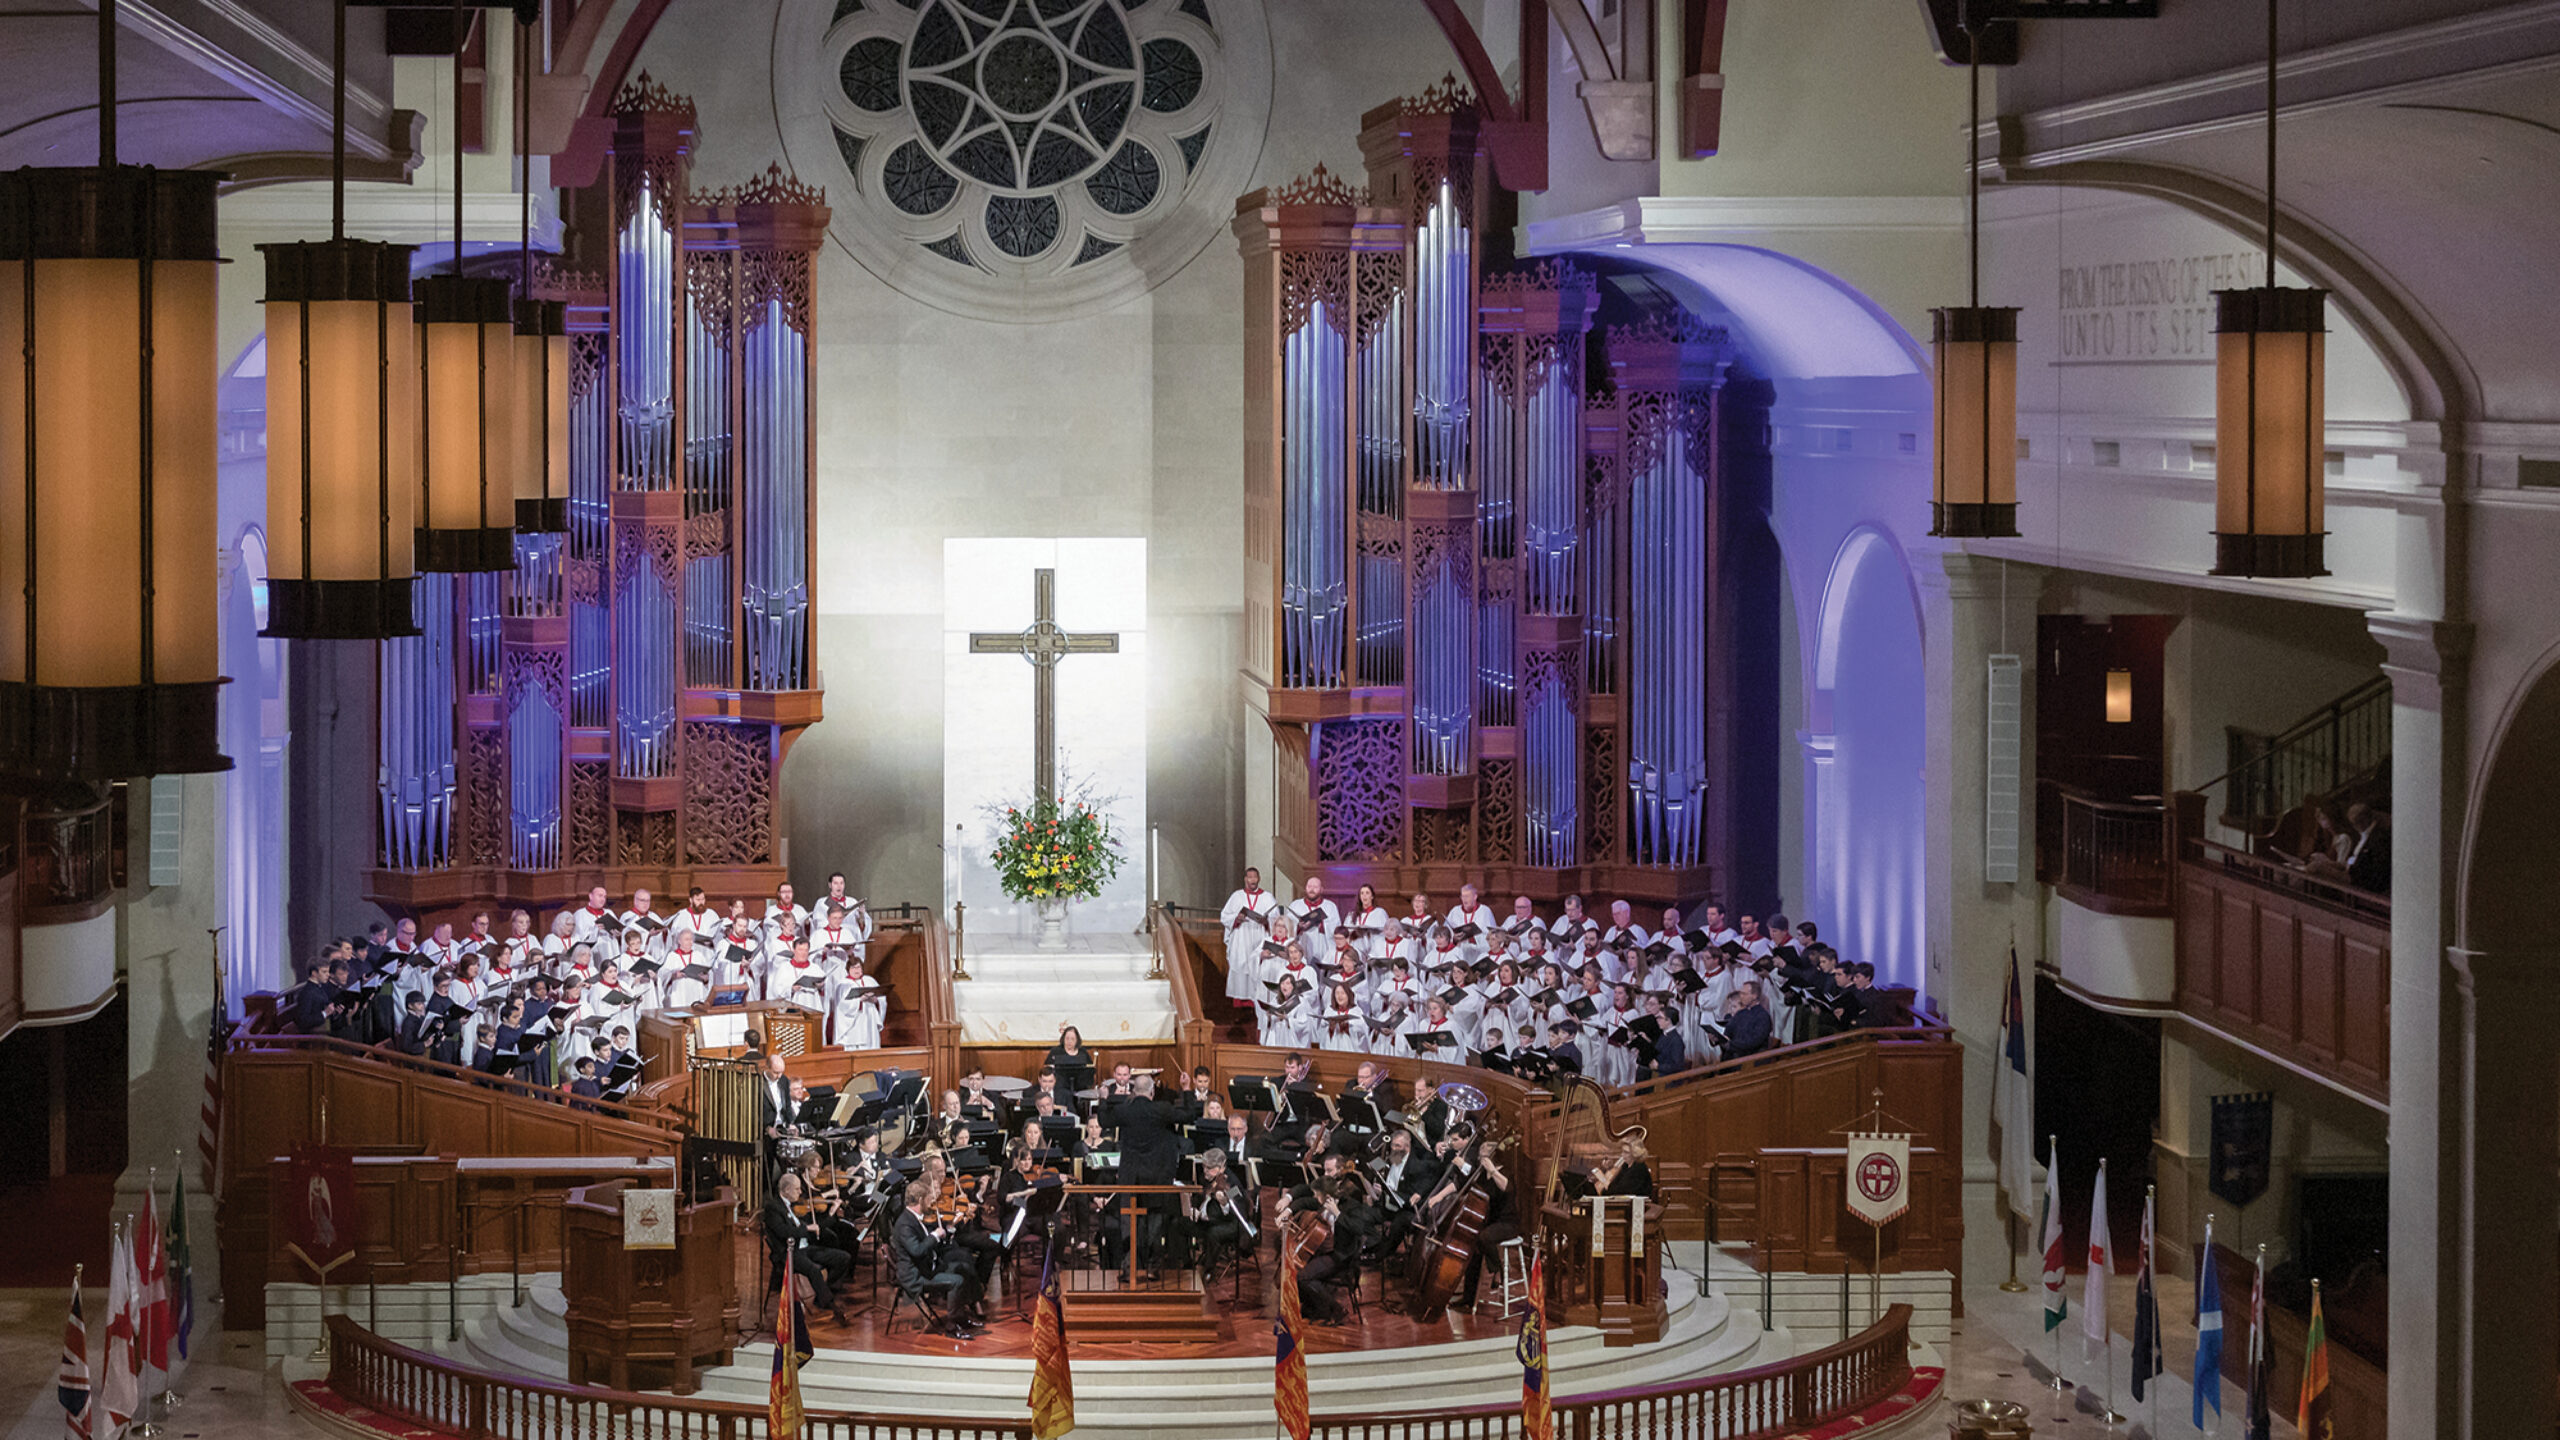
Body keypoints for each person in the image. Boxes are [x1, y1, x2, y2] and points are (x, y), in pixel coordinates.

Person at [1100, 1074, 1184, 1277]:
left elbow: (1103, 1120)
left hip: (1130, 1176)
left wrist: (1103, 1098)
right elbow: (1189, 1115)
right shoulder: (1161, 1109)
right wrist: (1186, 1089)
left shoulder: (1124, 1110)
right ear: (1152, 1092)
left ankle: (1130, 1268)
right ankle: (1153, 1268)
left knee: (1129, 1222)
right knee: (1154, 1221)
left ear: (1133, 1091)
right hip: (1157, 1176)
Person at [890, 1178, 982, 1337]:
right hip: (915, 1276)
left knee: (964, 1268)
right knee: (956, 1281)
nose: (931, 1201)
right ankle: (952, 1328)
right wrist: (934, 1235)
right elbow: (917, 1250)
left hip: (928, 1267)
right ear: (920, 1200)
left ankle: (961, 1318)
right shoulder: (905, 1224)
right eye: (928, 1199)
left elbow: (931, 1245)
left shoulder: (917, 1218)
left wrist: (947, 1232)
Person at [1220, 867, 1280, 1007]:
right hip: (1242, 936)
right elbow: (1224, 916)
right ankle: (1240, 1004)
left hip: (1260, 935)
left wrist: (1266, 921)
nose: (1252, 880)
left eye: (1255, 877)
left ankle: (1258, 1003)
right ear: (1245, 879)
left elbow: (1276, 919)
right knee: (1241, 965)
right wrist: (1237, 918)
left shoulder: (1267, 897)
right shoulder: (1237, 896)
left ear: (1258, 879)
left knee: (1258, 967)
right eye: (1250, 877)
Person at [1723, 982, 1774, 1059]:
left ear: (1754, 996)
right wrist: (1718, 1039)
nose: (1741, 997)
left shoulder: (1762, 1016)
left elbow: (1754, 1042)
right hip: (1736, 1054)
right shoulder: (1741, 1013)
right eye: (1740, 994)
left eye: (1744, 994)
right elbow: (1729, 1031)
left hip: (1750, 1059)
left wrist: (1731, 1045)